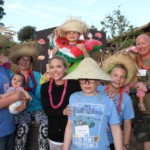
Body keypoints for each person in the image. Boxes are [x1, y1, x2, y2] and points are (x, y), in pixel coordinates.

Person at [63, 57, 123, 150]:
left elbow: (115, 128)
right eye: (83, 80)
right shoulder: (73, 98)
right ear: (79, 80)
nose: (87, 84)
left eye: (91, 79)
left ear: (98, 80)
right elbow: (70, 125)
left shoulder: (107, 99)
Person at [8, 42, 49, 150]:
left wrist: (42, 81)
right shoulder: (12, 76)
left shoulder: (36, 75)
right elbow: (9, 93)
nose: (24, 62)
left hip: (37, 108)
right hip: (21, 109)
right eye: (21, 59)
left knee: (45, 127)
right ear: (17, 60)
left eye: (27, 59)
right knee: (22, 130)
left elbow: (39, 96)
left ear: (31, 62)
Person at [41, 56, 82, 150]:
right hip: (54, 135)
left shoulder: (75, 85)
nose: (54, 70)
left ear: (66, 68)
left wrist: (108, 92)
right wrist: (63, 111)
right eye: (51, 67)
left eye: (58, 66)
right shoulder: (45, 87)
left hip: (74, 136)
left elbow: (91, 91)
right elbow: (47, 110)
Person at [100, 53, 136, 150]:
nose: (118, 79)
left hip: (115, 141)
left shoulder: (126, 99)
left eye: (122, 77)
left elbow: (127, 123)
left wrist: (125, 145)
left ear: (125, 79)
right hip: (98, 139)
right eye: (115, 75)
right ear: (109, 75)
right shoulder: (98, 90)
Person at [0, 53, 27, 150]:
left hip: (9, 125)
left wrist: (23, 101)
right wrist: (17, 97)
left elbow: (11, 88)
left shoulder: (3, 69)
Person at [133, 34, 150, 150]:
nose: (141, 46)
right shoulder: (133, 61)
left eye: (144, 43)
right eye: (138, 43)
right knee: (144, 138)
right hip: (141, 109)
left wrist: (148, 88)